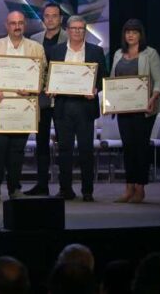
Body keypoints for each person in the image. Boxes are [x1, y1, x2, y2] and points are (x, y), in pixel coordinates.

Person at [0, 10, 46, 202]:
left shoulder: (36, 48)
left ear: (24, 25)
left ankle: (15, 188)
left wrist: (33, 89)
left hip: (23, 109)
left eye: (20, 23)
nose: (17, 26)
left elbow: (43, 76)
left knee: (17, 152)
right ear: (6, 26)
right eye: (13, 23)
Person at [47, 15, 106, 201]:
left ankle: (87, 191)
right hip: (63, 107)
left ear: (85, 30)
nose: (77, 31)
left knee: (86, 150)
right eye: (74, 28)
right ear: (68, 30)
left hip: (85, 107)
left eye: (81, 28)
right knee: (64, 150)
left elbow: (102, 79)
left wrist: (95, 90)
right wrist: (51, 88)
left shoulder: (96, 51)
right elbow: (49, 76)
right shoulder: (56, 51)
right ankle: (66, 190)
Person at [110, 19, 160, 204]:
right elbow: (112, 81)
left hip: (145, 108)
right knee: (128, 148)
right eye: (127, 32)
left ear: (141, 34)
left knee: (141, 148)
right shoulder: (118, 54)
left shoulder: (150, 54)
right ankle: (129, 187)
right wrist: (109, 103)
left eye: (134, 31)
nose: (130, 35)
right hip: (124, 109)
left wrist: (153, 98)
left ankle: (140, 188)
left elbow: (159, 81)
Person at [27, 2, 67, 196]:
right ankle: (42, 184)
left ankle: (64, 187)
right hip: (41, 99)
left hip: (62, 99)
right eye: (47, 16)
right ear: (43, 18)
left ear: (61, 18)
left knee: (64, 144)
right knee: (41, 143)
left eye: (54, 16)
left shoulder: (71, 38)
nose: (50, 19)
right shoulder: (34, 39)